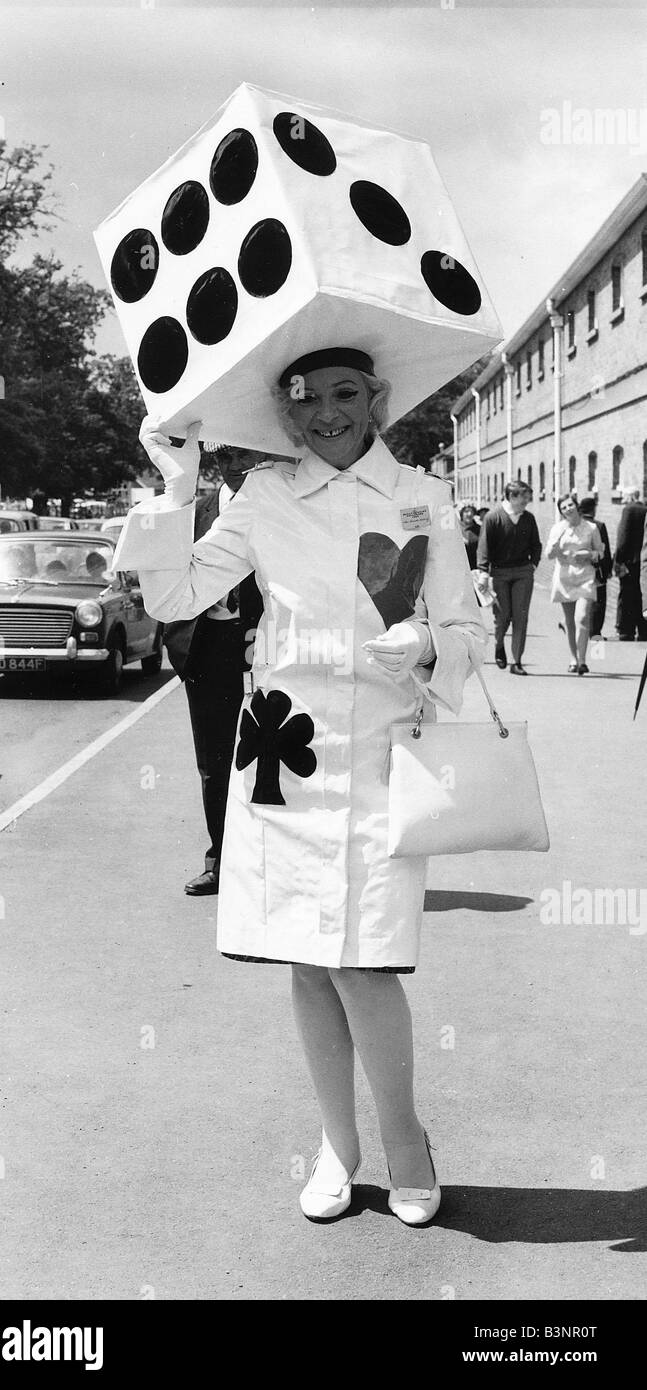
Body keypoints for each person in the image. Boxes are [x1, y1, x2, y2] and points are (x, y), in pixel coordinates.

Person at [113, 346, 486, 1228]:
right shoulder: (263, 496)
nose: (326, 412)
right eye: (306, 398)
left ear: (377, 399)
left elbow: (466, 623)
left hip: (387, 756)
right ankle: (335, 1143)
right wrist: (174, 483)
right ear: (286, 414)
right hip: (286, 754)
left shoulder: (421, 497)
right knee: (310, 961)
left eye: (344, 393)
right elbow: (175, 598)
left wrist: (428, 646)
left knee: (363, 960)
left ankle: (403, 1139)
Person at [163, 446, 264, 897]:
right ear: (211, 464)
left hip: (266, 648)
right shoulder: (191, 514)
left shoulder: (276, 506)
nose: (235, 466)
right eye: (224, 458)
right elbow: (165, 574)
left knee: (271, 756)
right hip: (207, 649)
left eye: (244, 455)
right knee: (215, 762)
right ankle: (220, 861)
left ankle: (270, 865)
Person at [476, 481, 542, 674]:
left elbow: (536, 544)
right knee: (502, 616)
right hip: (500, 573)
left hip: (523, 572)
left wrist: (533, 565)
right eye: (524, 498)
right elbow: (484, 547)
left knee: (520, 616)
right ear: (512, 497)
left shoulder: (528, 518)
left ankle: (516, 661)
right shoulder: (493, 517)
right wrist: (483, 573)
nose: (527, 502)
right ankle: (499, 644)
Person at [545, 493, 604, 674]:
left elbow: (600, 552)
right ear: (561, 512)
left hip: (585, 576)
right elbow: (549, 555)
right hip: (565, 577)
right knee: (570, 621)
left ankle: (583, 660)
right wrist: (556, 543)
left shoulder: (591, 528)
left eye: (570, 505)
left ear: (576, 506)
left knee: (583, 617)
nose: (568, 509)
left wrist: (588, 554)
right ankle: (573, 658)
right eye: (563, 508)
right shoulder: (558, 528)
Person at [614, 487, 647, 641]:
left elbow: (623, 537)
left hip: (628, 560)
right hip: (641, 560)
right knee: (640, 596)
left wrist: (618, 559)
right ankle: (643, 630)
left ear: (631, 497)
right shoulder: (644, 509)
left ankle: (626, 630)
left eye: (624, 496)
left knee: (626, 595)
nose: (622, 499)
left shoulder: (629, 510)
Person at [578, 496, 611, 638]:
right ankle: (595, 633)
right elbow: (605, 551)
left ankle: (581, 631)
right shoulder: (599, 526)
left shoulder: (575, 525)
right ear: (593, 509)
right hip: (595, 570)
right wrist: (607, 571)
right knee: (598, 602)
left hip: (578, 570)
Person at [458, 504, 480, 570]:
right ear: (461, 514)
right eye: (466, 511)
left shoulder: (480, 529)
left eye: (471, 511)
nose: (469, 514)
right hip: (459, 568)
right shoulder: (456, 529)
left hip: (475, 569)